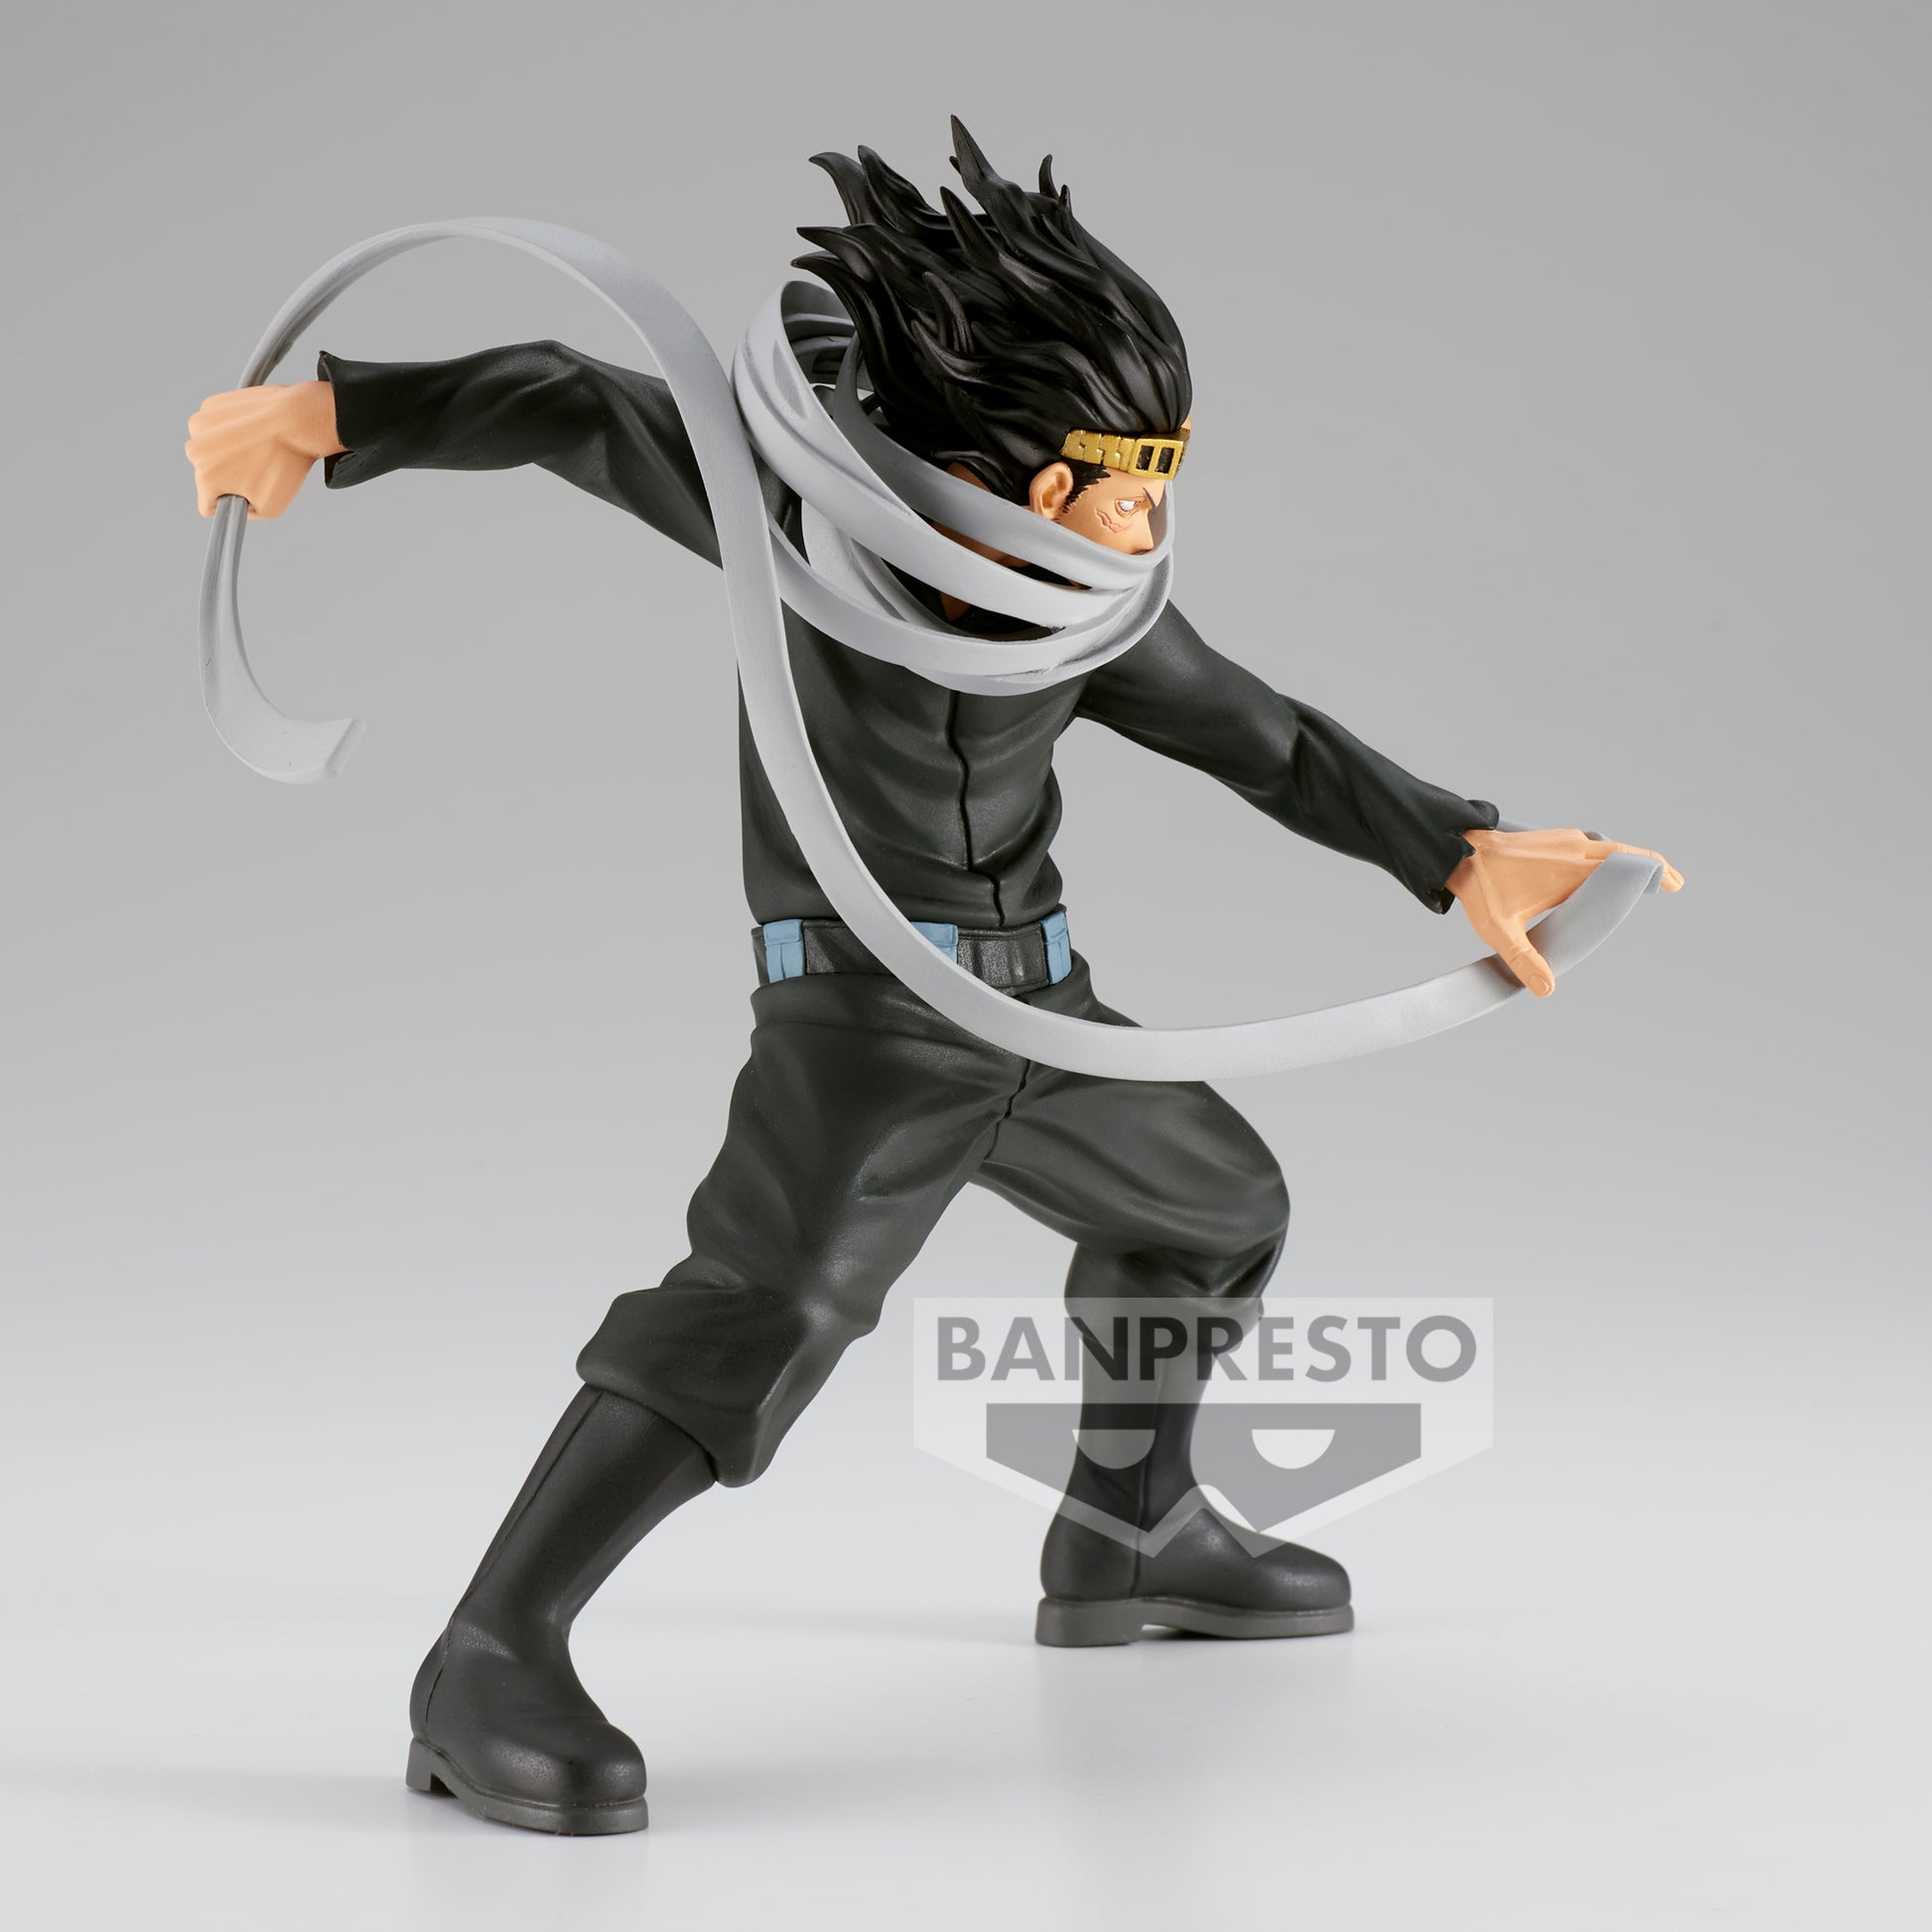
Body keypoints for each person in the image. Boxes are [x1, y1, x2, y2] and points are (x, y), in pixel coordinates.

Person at [186, 120, 1679, 1835]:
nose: (1152, 512)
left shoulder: (1077, 604)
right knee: (761, 1317)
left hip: (1040, 1014)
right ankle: (486, 1653)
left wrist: (1461, 849)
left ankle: (1129, 1532)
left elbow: (1258, 734)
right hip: (869, 1020)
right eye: (1130, 473)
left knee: (1213, 1211)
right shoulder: (804, 532)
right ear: (1031, 475)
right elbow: (571, 400)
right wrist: (333, 417)